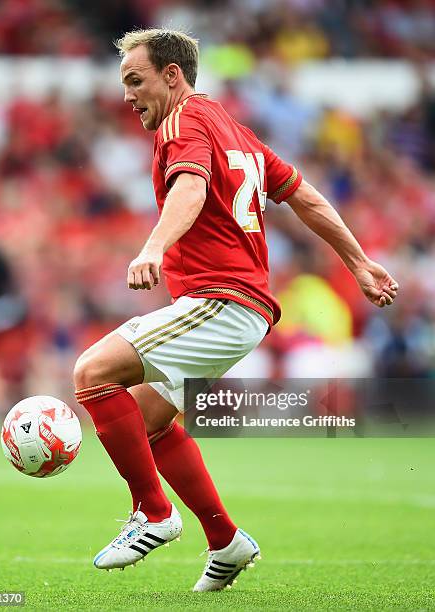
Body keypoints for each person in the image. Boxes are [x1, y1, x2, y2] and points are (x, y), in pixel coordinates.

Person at [73, 28, 399, 592]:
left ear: (172, 75)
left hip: (221, 300)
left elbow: (191, 190)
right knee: (147, 423)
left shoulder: (184, 123)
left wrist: (151, 248)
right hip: (236, 308)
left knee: (92, 373)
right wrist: (359, 261)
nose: (127, 95)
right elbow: (305, 196)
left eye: (135, 80)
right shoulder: (234, 129)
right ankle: (225, 540)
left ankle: (153, 513)